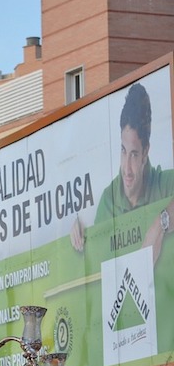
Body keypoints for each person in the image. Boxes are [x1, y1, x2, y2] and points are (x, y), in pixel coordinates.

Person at [71, 82, 174, 264]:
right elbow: (95, 261)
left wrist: (161, 223)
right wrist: (80, 233)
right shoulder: (107, 201)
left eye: (134, 154)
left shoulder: (165, 184)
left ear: (145, 152)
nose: (126, 168)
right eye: (123, 150)